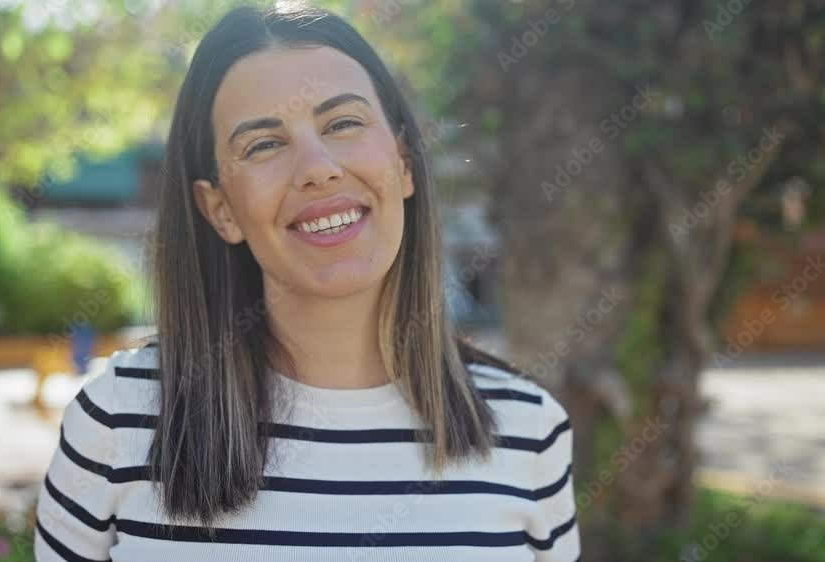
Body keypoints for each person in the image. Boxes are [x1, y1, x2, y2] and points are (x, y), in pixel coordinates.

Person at [33, 3, 580, 561]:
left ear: (405, 162)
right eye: (264, 144)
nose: (317, 166)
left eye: (343, 122)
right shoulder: (118, 419)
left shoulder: (529, 429)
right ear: (220, 209)